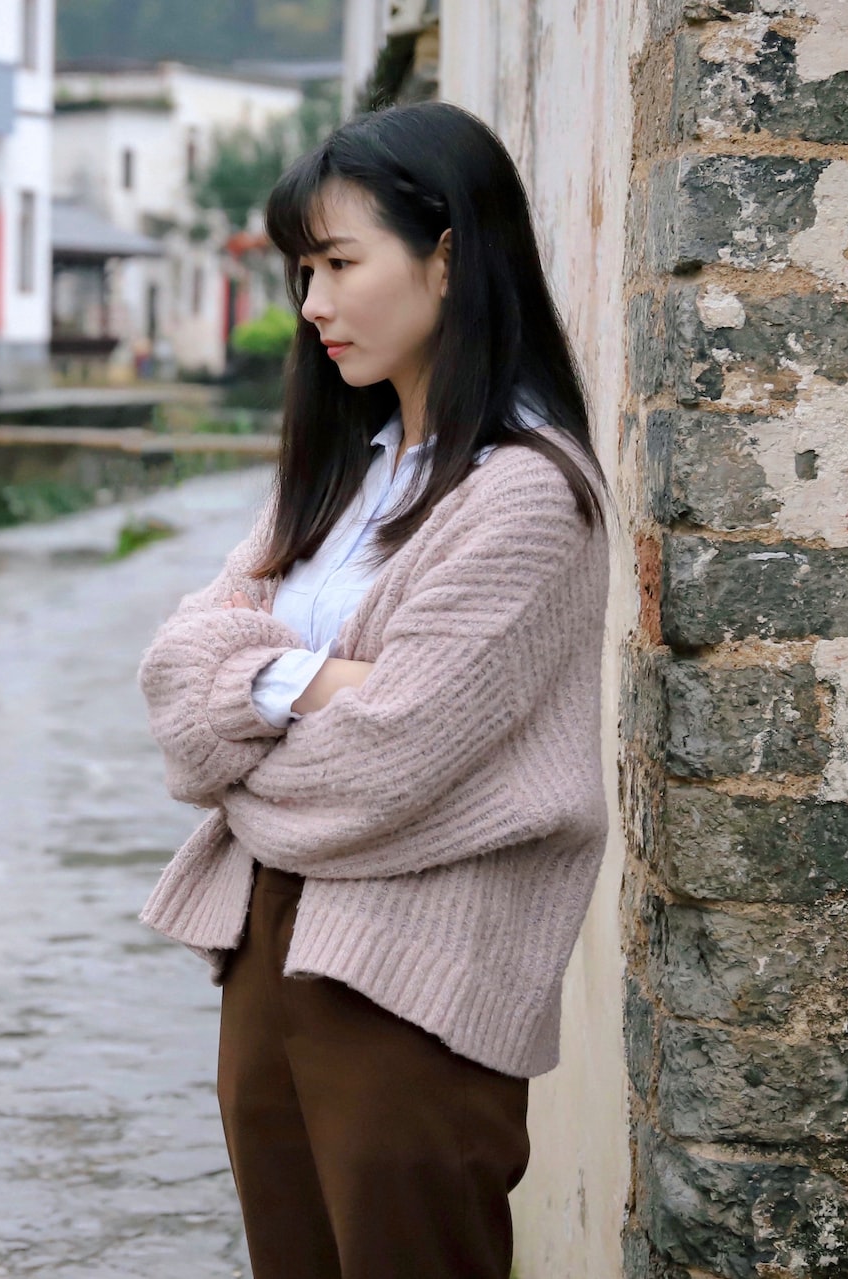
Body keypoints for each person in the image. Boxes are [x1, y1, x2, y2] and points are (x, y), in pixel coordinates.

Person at [135, 101, 613, 1279]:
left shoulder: (525, 497)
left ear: (448, 255)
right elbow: (172, 684)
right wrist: (310, 681)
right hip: (263, 943)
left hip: (413, 976)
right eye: (305, 270)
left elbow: (382, 762)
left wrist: (251, 703)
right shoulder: (339, 478)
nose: (312, 305)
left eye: (340, 263)